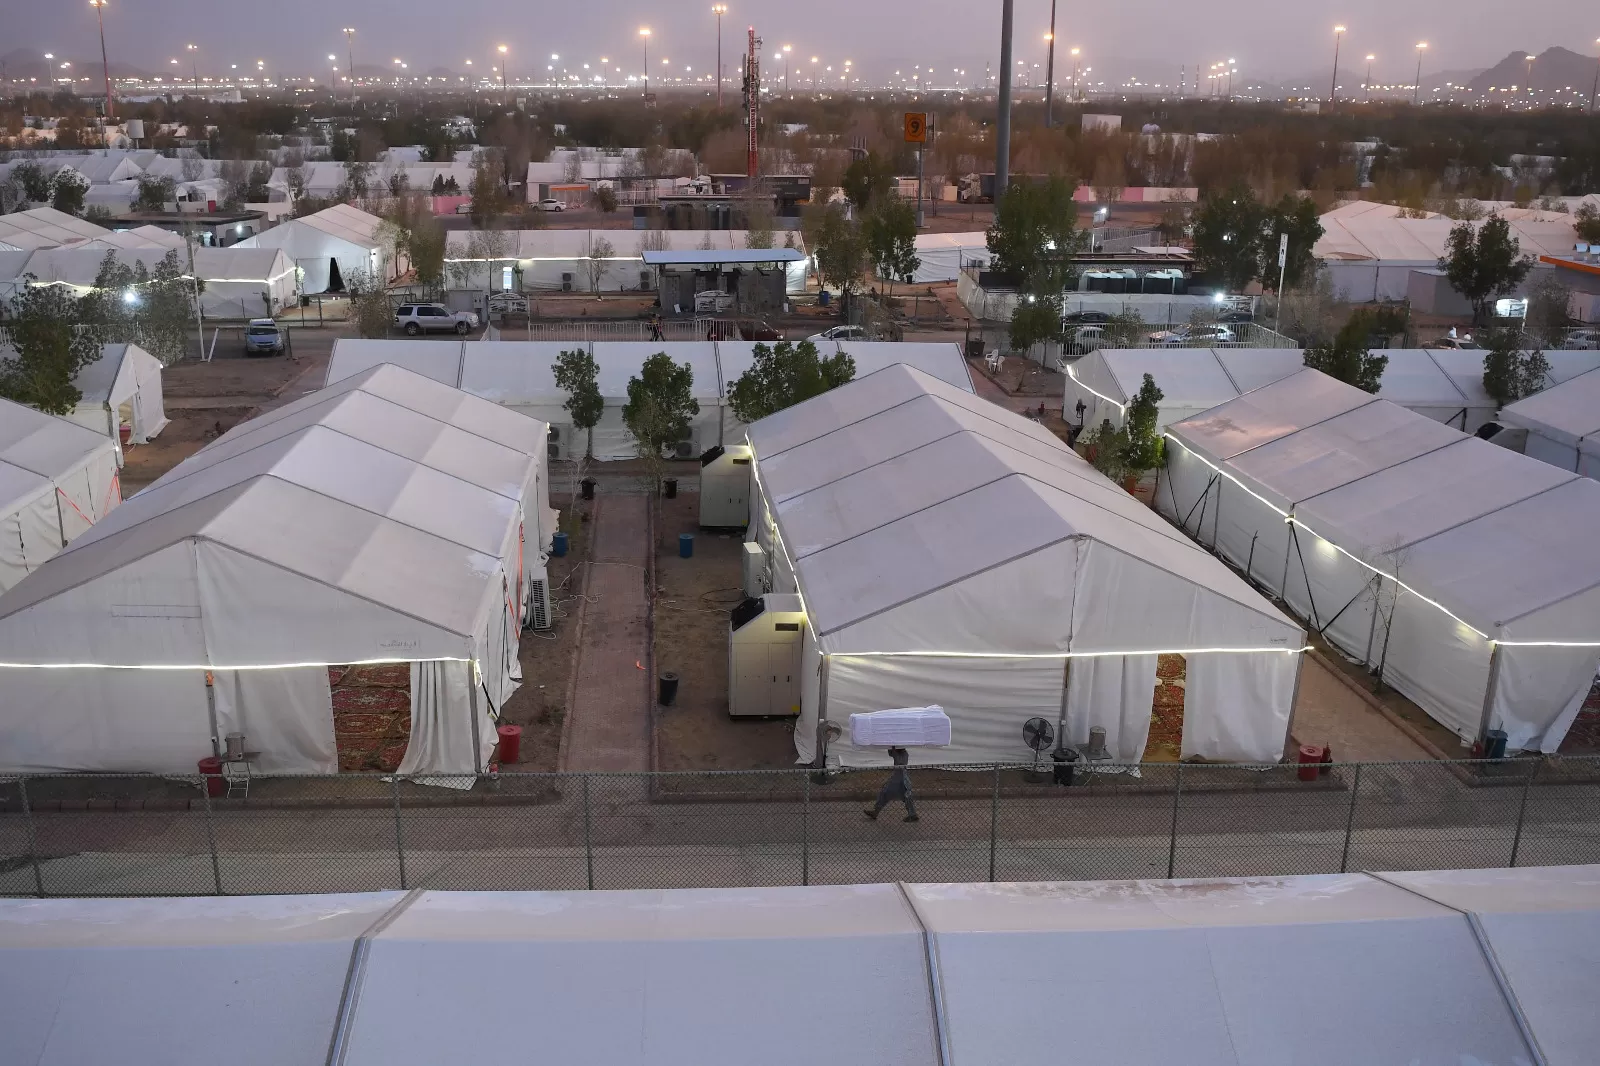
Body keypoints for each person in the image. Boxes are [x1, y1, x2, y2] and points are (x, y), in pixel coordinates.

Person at [864, 747, 918, 822]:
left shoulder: (904, 754)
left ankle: (912, 815)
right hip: (897, 777)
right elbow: (890, 754)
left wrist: (894, 750)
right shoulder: (898, 752)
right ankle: (875, 812)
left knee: (907, 797)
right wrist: (891, 747)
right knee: (884, 793)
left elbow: (900, 763)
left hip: (902, 778)